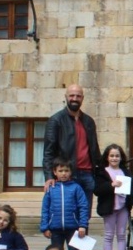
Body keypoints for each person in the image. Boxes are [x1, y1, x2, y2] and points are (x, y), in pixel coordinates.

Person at [43, 84, 101, 218]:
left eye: (78, 96)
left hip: (87, 175)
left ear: (82, 98)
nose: (75, 98)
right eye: (72, 95)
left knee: (84, 216)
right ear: (66, 97)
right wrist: (49, 176)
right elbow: (48, 151)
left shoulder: (89, 121)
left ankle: (82, 239)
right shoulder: (55, 120)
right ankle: (68, 240)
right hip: (67, 174)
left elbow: (95, 150)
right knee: (68, 215)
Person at [93, 144, 133, 250]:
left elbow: (132, 189)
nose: (114, 158)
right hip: (109, 207)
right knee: (108, 235)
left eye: (117, 156)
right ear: (107, 157)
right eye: (112, 156)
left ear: (121, 157)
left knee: (121, 235)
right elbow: (97, 190)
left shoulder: (125, 171)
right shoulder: (102, 172)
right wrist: (111, 185)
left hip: (123, 207)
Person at [40, 157, 89, 250]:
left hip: (72, 228)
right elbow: (45, 208)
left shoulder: (76, 188)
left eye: (66, 171)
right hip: (55, 229)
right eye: (60, 171)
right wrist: (45, 227)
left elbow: (83, 207)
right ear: (54, 172)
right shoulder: (51, 188)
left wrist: (82, 225)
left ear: (70, 172)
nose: (63, 174)